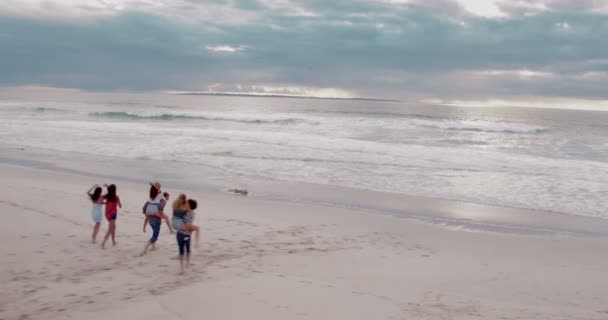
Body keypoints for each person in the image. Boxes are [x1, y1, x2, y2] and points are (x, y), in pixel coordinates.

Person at [140, 182, 173, 255]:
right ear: (158, 189)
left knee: (154, 232)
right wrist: (160, 213)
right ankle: (147, 246)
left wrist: (147, 215)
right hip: (156, 219)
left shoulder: (151, 197)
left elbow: (144, 207)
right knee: (155, 236)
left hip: (150, 219)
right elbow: (162, 205)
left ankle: (153, 247)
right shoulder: (161, 196)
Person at [174, 198, 198, 274]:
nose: (185, 204)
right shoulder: (186, 212)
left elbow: (188, 224)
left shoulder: (188, 213)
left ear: (189, 206)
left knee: (186, 249)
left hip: (185, 234)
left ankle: (186, 264)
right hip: (182, 234)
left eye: (187, 203)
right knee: (183, 250)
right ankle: (183, 267)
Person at [101, 184, 122, 249]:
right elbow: (120, 206)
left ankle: (113, 241)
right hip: (113, 214)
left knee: (114, 227)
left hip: (107, 214)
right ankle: (103, 243)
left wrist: (105, 203)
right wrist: (118, 202)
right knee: (110, 229)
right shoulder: (116, 197)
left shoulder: (107, 196)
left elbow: (101, 200)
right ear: (115, 190)